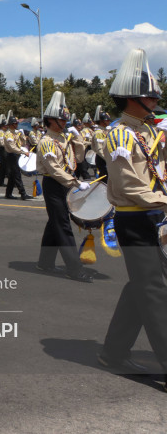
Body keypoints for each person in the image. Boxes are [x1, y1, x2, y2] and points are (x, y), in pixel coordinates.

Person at [99, 48, 167, 382]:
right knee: (154, 291)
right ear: (131, 98)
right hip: (135, 218)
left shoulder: (150, 131)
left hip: (155, 215)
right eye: (149, 96)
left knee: (141, 286)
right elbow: (128, 185)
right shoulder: (119, 135)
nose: (155, 101)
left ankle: (113, 353)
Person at [35, 91, 93, 283]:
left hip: (65, 183)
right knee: (63, 225)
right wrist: (76, 183)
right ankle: (74, 269)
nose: (65, 122)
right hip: (54, 184)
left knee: (55, 223)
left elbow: (78, 159)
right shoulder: (46, 142)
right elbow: (54, 169)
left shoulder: (63, 139)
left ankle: (45, 262)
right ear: (51, 120)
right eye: (62, 119)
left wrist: (77, 140)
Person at [4, 111, 32, 200]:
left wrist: (22, 135)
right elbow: (12, 147)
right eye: (15, 123)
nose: (17, 125)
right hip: (12, 155)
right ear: (11, 124)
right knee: (17, 175)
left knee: (12, 176)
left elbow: (22, 144)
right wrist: (23, 152)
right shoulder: (8, 134)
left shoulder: (16, 133)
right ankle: (23, 193)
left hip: (16, 155)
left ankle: (8, 193)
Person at [92, 106, 111, 180]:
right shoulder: (99, 133)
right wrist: (108, 159)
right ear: (102, 121)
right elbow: (100, 149)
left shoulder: (104, 131)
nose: (109, 122)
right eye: (107, 120)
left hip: (106, 157)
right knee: (105, 179)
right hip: (102, 158)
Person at [0, 115, 8, 186]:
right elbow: (1, 142)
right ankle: (1, 181)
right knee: (5, 165)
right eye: (5, 125)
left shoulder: (4, 132)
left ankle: (1, 181)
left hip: (4, 148)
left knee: (4, 165)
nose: (7, 126)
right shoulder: (0, 132)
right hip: (2, 149)